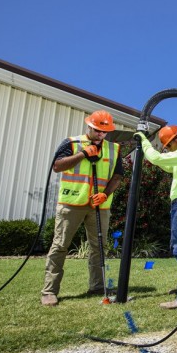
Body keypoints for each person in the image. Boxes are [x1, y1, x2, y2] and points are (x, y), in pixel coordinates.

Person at [40, 110, 123, 306]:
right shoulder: (71, 143)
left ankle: (96, 285)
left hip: (100, 206)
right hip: (72, 204)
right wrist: (83, 154)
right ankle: (49, 291)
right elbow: (58, 166)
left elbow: (117, 176)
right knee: (60, 246)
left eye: (105, 132)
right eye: (97, 131)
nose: (101, 135)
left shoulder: (114, 149)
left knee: (99, 247)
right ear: (89, 126)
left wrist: (105, 194)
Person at [134, 125, 177, 309]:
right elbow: (165, 164)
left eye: (169, 146)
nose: (169, 149)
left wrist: (143, 140)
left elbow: (156, 158)